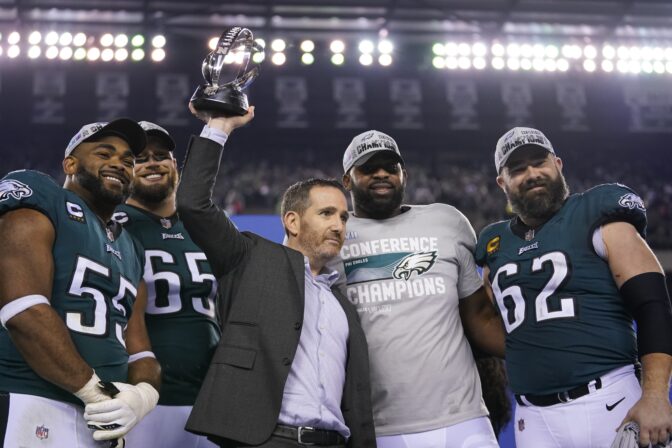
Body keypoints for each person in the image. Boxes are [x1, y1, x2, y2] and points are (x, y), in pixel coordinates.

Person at [176, 104, 376, 448]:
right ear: (292, 221)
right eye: (326, 213)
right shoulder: (249, 259)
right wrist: (220, 126)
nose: (338, 225)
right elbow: (194, 204)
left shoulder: (342, 303)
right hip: (266, 439)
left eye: (344, 217)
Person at [474, 126, 672, 448]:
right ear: (502, 182)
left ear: (558, 164)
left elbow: (653, 306)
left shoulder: (596, 212)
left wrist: (655, 395)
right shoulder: (493, 243)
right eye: (518, 169)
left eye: (540, 162)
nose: (532, 174)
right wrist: (531, 351)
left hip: (608, 401)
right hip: (532, 417)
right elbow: (486, 321)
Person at [329, 129, 507, 448]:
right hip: (376, 427)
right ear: (347, 180)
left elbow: (478, 317)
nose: (381, 173)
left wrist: (540, 352)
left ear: (404, 175)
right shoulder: (334, 235)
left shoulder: (447, 221)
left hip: (462, 418)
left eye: (390, 167)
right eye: (368, 168)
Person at [0, 119, 161, 447]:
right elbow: (22, 310)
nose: (119, 163)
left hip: (99, 420)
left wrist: (141, 397)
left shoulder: (131, 246)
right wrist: (95, 393)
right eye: (105, 153)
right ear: (70, 163)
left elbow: (140, 348)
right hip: (31, 399)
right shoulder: (42, 196)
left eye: (129, 161)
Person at [114, 121, 220, 448]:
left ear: (175, 165)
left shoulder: (206, 227)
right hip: (145, 400)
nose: (152, 163)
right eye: (140, 158)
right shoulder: (111, 226)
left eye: (161, 155)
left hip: (212, 401)